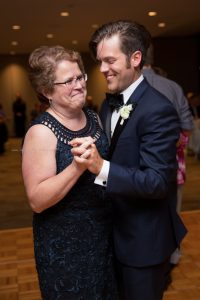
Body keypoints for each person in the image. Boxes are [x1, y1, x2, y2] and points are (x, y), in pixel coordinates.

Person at [70, 20, 187, 300]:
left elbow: (158, 182)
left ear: (136, 58)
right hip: (114, 234)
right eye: (99, 61)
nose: (102, 69)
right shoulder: (110, 102)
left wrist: (101, 167)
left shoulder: (158, 109)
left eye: (110, 60)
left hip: (143, 243)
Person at [22, 45, 118, 299]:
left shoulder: (92, 116)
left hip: (103, 236)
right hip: (66, 247)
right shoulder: (41, 132)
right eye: (68, 81)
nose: (79, 85)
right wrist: (76, 167)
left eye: (80, 77)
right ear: (46, 91)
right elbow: (37, 200)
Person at [142, 44, 193, 279]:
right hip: (173, 164)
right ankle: (172, 254)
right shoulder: (173, 86)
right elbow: (187, 127)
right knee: (173, 208)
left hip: (137, 167)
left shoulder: (125, 87)